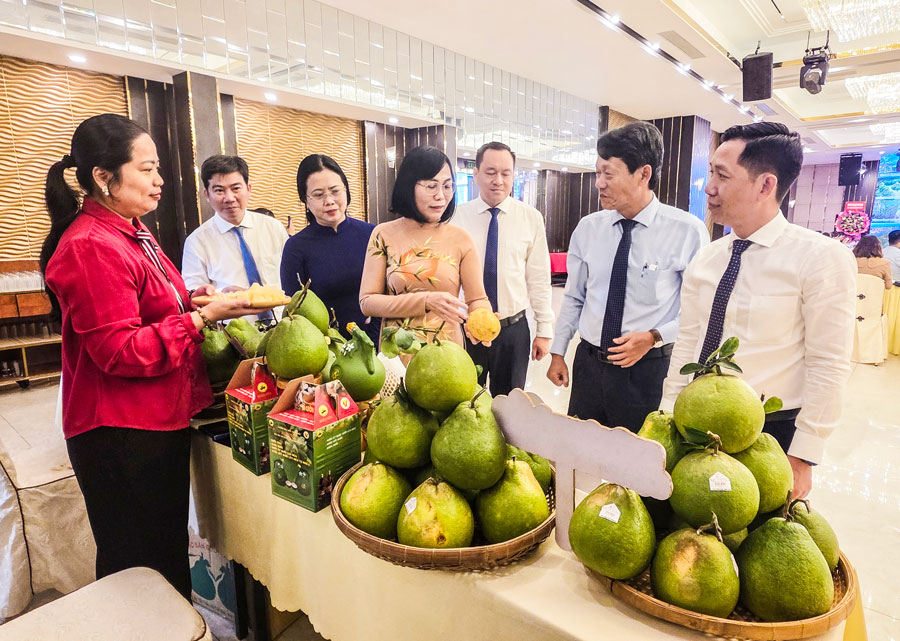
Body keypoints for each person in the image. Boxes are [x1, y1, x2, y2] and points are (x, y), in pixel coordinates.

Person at [41, 114, 262, 598]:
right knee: (139, 565)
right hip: (120, 432)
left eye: (158, 168)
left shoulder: (131, 230)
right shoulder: (90, 245)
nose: (159, 180)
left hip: (154, 417)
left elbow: (153, 300)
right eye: (146, 169)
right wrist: (201, 320)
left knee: (163, 550)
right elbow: (119, 350)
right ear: (103, 177)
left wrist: (199, 299)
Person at [660, 122, 857, 500]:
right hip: (691, 421)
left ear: (765, 185)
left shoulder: (821, 258)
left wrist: (804, 454)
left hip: (768, 433)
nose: (709, 186)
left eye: (722, 175)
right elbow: (688, 340)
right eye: (711, 172)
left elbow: (828, 362)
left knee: (758, 543)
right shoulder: (707, 258)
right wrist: (668, 411)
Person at [547, 122, 709, 433]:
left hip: (646, 369)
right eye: (597, 173)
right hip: (590, 366)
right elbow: (574, 296)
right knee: (582, 452)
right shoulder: (589, 228)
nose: (599, 183)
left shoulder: (686, 231)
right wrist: (558, 351)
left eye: (608, 174)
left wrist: (654, 336)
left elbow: (699, 310)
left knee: (638, 462)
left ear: (643, 174)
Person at [359, 145, 492, 349]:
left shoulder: (460, 238)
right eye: (431, 186)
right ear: (408, 186)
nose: (441, 195)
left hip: (447, 353)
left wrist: (481, 317)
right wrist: (425, 301)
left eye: (447, 186)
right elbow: (367, 302)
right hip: (397, 353)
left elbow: (477, 299)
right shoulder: (383, 234)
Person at [452, 142, 554, 396]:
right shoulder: (455, 218)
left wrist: (544, 330)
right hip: (466, 328)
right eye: (490, 172)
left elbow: (539, 279)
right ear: (475, 174)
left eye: (506, 173)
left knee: (510, 404)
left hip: (513, 330)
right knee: (463, 400)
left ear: (513, 175)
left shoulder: (531, 218)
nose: (498, 180)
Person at [280, 154, 377, 343]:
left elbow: (389, 289)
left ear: (346, 190)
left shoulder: (373, 234)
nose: (329, 200)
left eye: (335, 191)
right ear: (305, 199)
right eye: (318, 195)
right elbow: (295, 310)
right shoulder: (296, 247)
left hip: (377, 340)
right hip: (325, 348)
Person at [181, 155, 288, 322]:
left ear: (249, 189)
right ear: (206, 194)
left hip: (283, 325)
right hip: (233, 334)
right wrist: (222, 295)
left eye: (236, 188)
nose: (229, 198)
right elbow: (194, 296)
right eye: (219, 190)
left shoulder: (273, 228)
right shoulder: (197, 241)